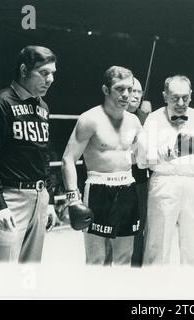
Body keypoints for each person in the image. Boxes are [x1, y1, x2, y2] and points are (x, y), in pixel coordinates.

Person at [0, 45, 57, 262]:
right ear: (24, 70)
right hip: (10, 198)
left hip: (39, 197)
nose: (50, 79)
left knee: (29, 273)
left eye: (52, 73)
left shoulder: (43, 107)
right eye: (43, 73)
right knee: (2, 273)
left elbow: (43, 156)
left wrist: (49, 200)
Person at [61, 66, 142, 266]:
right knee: (96, 259)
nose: (126, 94)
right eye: (120, 89)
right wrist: (73, 198)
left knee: (124, 257)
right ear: (106, 90)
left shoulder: (134, 122)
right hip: (98, 188)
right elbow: (68, 159)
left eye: (130, 89)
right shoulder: (90, 119)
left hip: (127, 187)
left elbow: (139, 159)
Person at [138, 74, 194, 265]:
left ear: (191, 95)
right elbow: (141, 159)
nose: (181, 102)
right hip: (164, 182)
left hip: (192, 182)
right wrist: (170, 152)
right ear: (165, 96)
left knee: (191, 242)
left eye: (185, 97)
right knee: (157, 242)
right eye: (175, 98)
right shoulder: (153, 119)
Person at [127, 77, 150, 267]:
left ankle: (135, 271)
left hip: (140, 182)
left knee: (138, 230)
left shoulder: (148, 120)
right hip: (114, 181)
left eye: (139, 92)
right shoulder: (112, 116)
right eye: (132, 90)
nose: (135, 95)